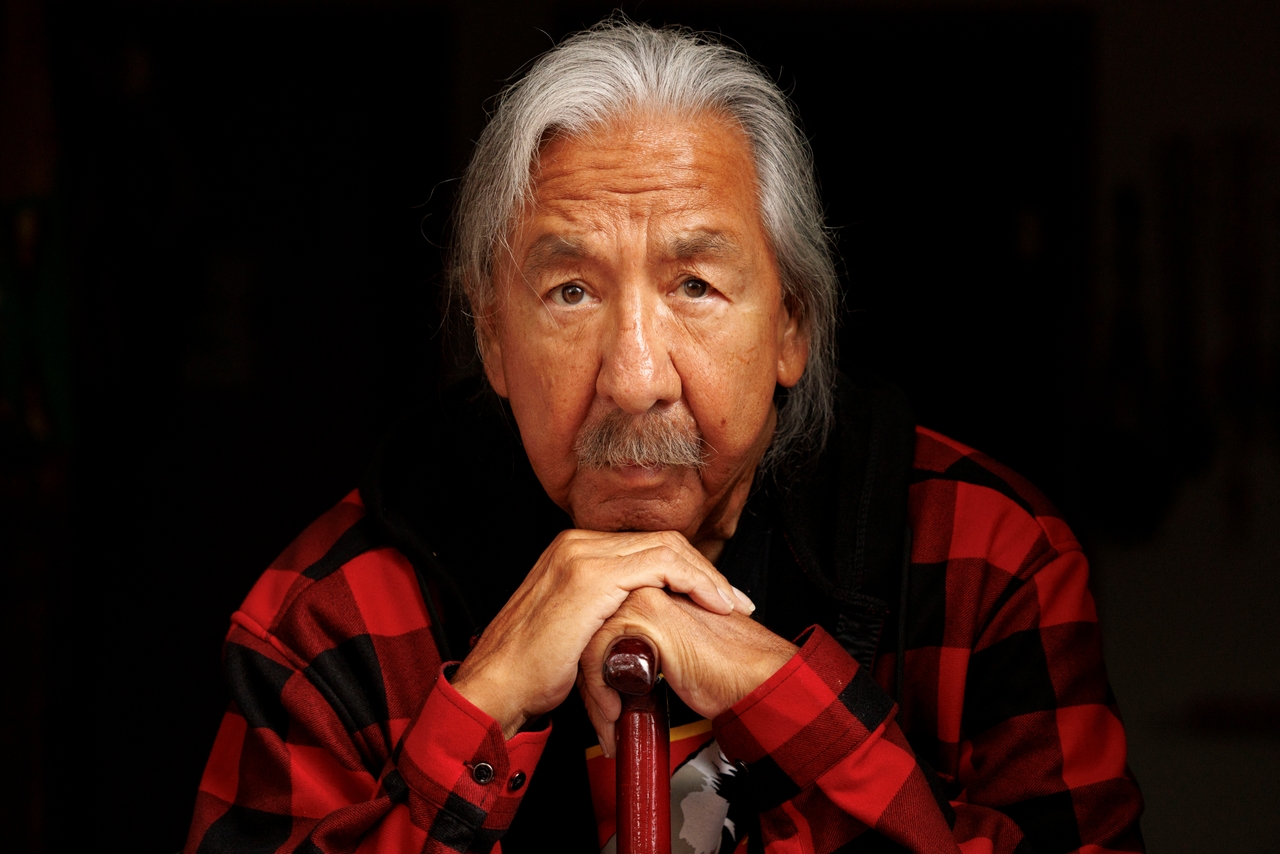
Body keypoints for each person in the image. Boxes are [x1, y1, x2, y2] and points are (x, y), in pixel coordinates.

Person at [184, 19, 1143, 854]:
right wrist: (483, 702)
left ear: (790, 327)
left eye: (695, 286)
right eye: (570, 292)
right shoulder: (331, 614)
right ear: (493, 340)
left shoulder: (986, 559)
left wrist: (784, 693)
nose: (635, 379)